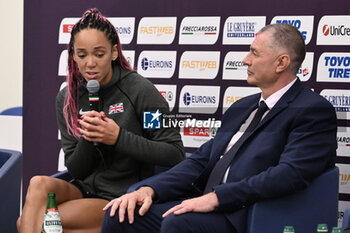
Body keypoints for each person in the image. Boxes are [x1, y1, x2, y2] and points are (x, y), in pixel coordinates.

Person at [101, 23, 338, 233]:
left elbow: (289, 174)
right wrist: (150, 189)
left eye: (254, 53)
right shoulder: (242, 108)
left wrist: (218, 198)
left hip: (245, 215)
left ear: (281, 62)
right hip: (200, 203)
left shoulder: (312, 110)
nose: (246, 60)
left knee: (177, 223)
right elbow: (202, 161)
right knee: (120, 215)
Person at [17, 8, 185, 233]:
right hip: (83, 189)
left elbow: (174, 154)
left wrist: (117, 138)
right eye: (82, 54)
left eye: (99, 54)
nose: (90, 64)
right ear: (73, 55)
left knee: (35, 223)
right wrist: (90, 136)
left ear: (114, 52)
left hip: (121, 196)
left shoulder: (139, 91)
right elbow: (76, 170)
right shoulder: (67, 98)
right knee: (38, 184)